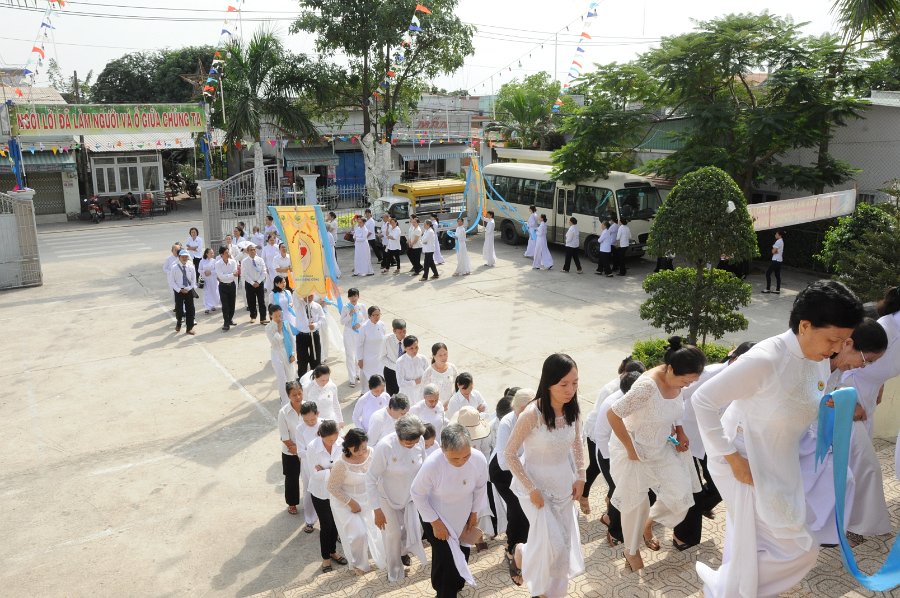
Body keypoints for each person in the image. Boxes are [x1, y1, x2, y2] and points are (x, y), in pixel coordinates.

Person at [693, 280, 863, 597]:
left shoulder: (816, 360)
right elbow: (702, 400)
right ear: (805, 325)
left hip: (779, 456)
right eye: (833, 339)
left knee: (762, 541)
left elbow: (798, 401)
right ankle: (729, 587)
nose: (838, 349)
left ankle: (732, 588)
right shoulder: (766, 359)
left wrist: (826, 408)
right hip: (743, 458)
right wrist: (733, 459)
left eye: (844, 341)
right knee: (798, 548)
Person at [607, 337, 705, 571]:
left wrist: (680, 430)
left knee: (681, 496)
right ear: (670, 369)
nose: (687, 386)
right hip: (634, 448)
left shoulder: (676, 381)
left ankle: (648, 523)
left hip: (661, 446)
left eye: (691, 382)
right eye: (685, 381)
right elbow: (613, 415)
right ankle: (631, 550)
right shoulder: (647, 387)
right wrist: (630, 449)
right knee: (636, 504)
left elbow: (676, 408)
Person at [800, 318, 888, 546]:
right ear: (848, 344)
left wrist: (842, 403)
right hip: (798, 432)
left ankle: (837, 527)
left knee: (854, 472)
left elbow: (829, 393)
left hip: (820, 428)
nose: (863, 367)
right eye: (866, 360)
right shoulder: (815, 361)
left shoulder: (838, 368)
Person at [505, 354, 585, 598]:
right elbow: (510, 454)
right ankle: (526, 562)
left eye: (575, 383)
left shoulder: (573, 409)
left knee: (562, 546)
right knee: (554, 545)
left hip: (563, 484)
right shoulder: (532, 414)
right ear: (549, 383)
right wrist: (531, 489)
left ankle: (552, 592)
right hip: (535, 488)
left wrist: (581, 475)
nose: (570, 390)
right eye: (563, 384)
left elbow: (577, 442)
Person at [841, 286, 900, 539]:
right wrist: (849, 402)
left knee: (856, 464)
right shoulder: (887, 327)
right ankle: (856, 524)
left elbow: (879, 362)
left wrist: (881, 383)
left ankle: (850, 522)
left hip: (867, 396)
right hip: (848, 394)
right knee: (864, 465)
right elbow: (845, 360)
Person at [412, 423, 489, 598]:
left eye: (466, 456)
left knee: (461, 552)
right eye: (455, 458)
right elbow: (417, 494)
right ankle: (445, 592)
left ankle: (452, 584)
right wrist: (435, 523)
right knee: (448, 560)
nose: (461, 461)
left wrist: (474, 512)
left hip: (463, 513)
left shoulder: (478, 459)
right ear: (443, 450)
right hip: (435, 515)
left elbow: (480, 487)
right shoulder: (432, 465)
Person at [366, 415, 428, 582]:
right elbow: (370, 478)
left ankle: (402, 552)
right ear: (398, 435)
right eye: (407, 442)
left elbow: (424, 467)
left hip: (411, 497)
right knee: (393, 534)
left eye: (414, 442)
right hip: (387, 497)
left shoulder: (420, 441)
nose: (411, 445)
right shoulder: (385, 447)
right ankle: (394, 571)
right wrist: (376, 510)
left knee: (416, 529)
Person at [592, 369, 644, 546]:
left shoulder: (639, 401)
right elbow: (600, 436)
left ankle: (611, 517)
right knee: (618, 490)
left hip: (629, 453)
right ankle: (614, 531)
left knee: (629, 490)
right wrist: (612, 462)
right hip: (608, 455)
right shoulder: (611, 404)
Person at [490, 388, 534, 587]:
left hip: (526, 471)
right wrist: (529, 460)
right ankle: (512, 549)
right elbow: (503, 462)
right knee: (517, 509)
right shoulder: (507, 422)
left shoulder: (537, 417)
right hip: (504, 473)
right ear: (518, 408)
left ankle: (524, 548)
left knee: (528, 510)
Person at [327, 427, 385, 574]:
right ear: (348, 447)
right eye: (356, 449)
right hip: (345, 501)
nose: (360, 452)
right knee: (359, 534)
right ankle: (359, 565)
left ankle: (384, 560)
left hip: (367, 497)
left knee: (376, 530)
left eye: (363, 448)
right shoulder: (341, 464)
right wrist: (351, 503)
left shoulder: (371, 453)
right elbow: (332, 487)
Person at [306, 420, 348, 573]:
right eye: (329, 440)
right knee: (326, 525)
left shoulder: (341, 443)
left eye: (335, 439)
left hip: (337, 491)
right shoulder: (312, 447)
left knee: (336, 523)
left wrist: (325, 470)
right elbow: (313, 474)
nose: (333, 442)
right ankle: (326, 558)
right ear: (321, 436)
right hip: (320, 492)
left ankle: (333, 551)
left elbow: (345, 467)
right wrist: (333, 470)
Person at [451, 406, 495, 546]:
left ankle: (479, 537)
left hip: (477, 471)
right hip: (459, 473)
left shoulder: (483, 433)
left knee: (480, 504)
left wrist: (484, 470)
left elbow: (486, 450)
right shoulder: (451, 435)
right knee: (465, 506)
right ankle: (467, 537)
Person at [278, 381, 305, 514]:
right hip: (290, 451)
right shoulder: (283, 413)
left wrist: (302, 450)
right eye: (294, 395)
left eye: (300, 393)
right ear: (288, 396)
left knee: (312, 477)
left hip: (307, 450)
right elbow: (284, 436)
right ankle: (292, 503)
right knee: (291, 478)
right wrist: (295, 450)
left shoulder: (309, 407)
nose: (298, 397)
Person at [296, 401, 321, 533]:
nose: (310, 423)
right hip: (308, 465)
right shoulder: (300, 429)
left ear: (318, 414)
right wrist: (315, 452)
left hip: (325, 463)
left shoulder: (324, 425)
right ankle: (310, 519)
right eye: (306, 420)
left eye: (312, 419)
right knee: (309, 491)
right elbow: (300, 452)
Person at [266, 305, 297, 407]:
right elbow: (274, 342)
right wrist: (279, 330)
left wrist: (293, 353)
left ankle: (292, 397)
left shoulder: (286, 324)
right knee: (282, 378)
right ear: (271, 316)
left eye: (280, 315)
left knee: (290, 376)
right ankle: (284, 400)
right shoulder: (268, 328)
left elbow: (292, 340)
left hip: (288, 352)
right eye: (276, 316)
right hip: (277, 354)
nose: (278, 318)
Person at [294, 293, 325, 377]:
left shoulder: (317, 306)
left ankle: (315, 377)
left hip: (314, 335)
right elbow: (295, 294)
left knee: (315, 357)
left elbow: (322, 319)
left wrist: (315, 325)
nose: (310, 298)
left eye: (311, 295)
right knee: (302, 359)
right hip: (301, 335)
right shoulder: (299, 304)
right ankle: (302, 379)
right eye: (307, 295)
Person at [340, 288, 366, 387]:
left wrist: (360, 324)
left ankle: (358, 373)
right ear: (348, 297)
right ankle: (352, 378)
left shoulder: (362, 306)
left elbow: (367, 319)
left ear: (358, 296)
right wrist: (349, 315)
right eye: (351, 296)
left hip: (359, 333)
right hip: (349, 333)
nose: (353, 298)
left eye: (355, 296)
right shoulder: (345, 307)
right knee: (350, 356)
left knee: (359, 355)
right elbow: (342, 321)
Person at [168, 249, 197, 335]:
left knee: (190, 309)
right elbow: (172, 281)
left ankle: (189, 328)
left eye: (186, 257)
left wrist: (189, 288)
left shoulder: (191, 267)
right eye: (183, 257)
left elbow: (193, 280)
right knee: (179, 309)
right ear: (179, 257)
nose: (184, 258)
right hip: (179, 291)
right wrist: (179, 290)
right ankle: (179, 322)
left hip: (188, 290)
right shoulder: (174, 267)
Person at [422, 343, 459, 409]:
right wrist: (434, 403)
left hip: (450, 405)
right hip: (434, 407)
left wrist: (450, 401)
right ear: (434, 356)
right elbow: (423, 392)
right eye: (440, 355)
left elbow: (458, 386)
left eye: (445, 354)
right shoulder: (429, 372)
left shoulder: (452, 368)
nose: (443, 357)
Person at [357, 306, 387, 385]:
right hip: (368, 360)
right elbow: (359, 344)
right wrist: (360, 359)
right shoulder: (364, 327)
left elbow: (384, 340)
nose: (377, 317)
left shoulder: (382, 325)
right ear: (369, 316)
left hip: (379, 359)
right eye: (374, 315)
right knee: (370, 382)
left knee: (380, 381)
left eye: (378, 315)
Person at [396, 335, 429, 405]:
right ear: (405, 348)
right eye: (411, 348)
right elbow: (400, 382)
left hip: (421, 393)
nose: (415, 350)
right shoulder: (400, 362)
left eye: (416, 347)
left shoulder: (423, 358)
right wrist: (415, 382)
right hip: (407, 394)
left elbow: (428, 375)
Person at [240, 243, 268, 324]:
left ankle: (263, 318)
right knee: (251, 301)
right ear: (248, 251)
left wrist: (258, 281)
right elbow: (244, 274)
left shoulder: (260, 260)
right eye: (251, 250)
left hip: (259, 283)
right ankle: (253, 316)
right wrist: (252, 283)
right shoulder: (244, 261)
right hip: (249, 284)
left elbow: (264, 272)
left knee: (261, 301)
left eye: (254, 250)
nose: (253, 251)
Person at [381, 319, 407, 396]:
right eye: (400, 332)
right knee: (392, 395)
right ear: (394, 331)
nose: (403, 334)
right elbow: (382, 357)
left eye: (404, 331)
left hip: (405, 371)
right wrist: (396, 367)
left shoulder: (408, 339)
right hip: (391, 371)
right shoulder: (386, 339)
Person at [215, 245, 238, 331]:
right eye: (226, 253)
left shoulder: (233, 262)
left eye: (228, 252)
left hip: (232, 285)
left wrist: (228, 276)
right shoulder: (218, 264)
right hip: (223, 286)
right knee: (225, 305)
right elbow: (221, 277)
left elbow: (235, 274)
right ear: (221, 254)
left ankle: (230, 319)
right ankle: (226, 323)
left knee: (232, 304)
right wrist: (231, 275)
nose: (228, 254)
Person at [198, 248, 219, 314]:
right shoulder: (202, 261)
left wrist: (211, 272)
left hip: (213, 280)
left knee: (213, 292)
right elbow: (199, 270)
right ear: (207, 254)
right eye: (211, 253)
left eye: (213, 253)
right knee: (206, 293)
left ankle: (213, 305)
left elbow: (217, 270)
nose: (212, 254)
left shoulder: (214, 261)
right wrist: (204, 272)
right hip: (206, 280)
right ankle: (207, 307)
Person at [261, 233, 280, 300]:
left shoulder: (277, 247)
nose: (272, 241)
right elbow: (263, 259)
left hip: (277, 269)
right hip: (269, 269)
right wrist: (265, 268)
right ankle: (271, 299)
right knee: (270, 285)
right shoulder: (265, 248)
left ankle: (278, 298)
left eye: (273, 240)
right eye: (270, 240)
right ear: (268, 240)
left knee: (277, 283)